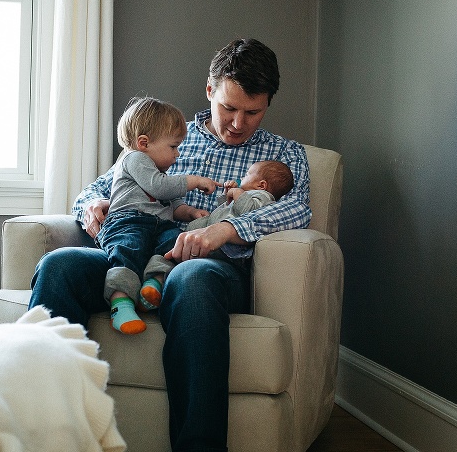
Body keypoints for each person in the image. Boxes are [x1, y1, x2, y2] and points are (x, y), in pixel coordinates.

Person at [29, 38, 311, 451]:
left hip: (212, 270)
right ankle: (45, 435)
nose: (237, 123)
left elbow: (298, 211)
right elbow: (96, 189)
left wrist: (226, 230)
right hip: (130, 257)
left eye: (252, 112)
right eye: (229, 108)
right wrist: (93, 206)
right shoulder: (166, 135)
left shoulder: (285, 154)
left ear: (268, 103)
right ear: (210, 91)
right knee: (60, 265)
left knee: (191, 279)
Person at [96, 96, 219, 335]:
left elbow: (172, 205)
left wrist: (191, 212)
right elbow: (159, 187)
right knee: (127, 251)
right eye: (173, 147)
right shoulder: (135, 159)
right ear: (144, 143)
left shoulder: (161, 170)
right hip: (127, 223)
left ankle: (153, 285)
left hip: (159, 225)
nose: (178, 155)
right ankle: (120, 304)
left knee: (174, 244)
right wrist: (194, 181)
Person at [137, 159, 295, 310]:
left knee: (172, 251)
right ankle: (154, 285)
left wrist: (239, 193)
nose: (242, 177)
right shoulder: (247, 195)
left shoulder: (264, 198)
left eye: (247, 174)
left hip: (224, 250)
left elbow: (248, 210)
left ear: (261, 185)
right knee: (170, 250)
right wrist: (229, 194)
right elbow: (226, 209)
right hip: (204, 235)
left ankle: (155, 282)